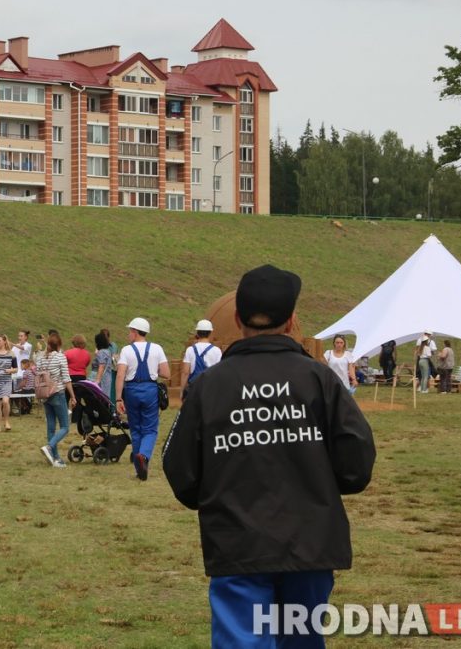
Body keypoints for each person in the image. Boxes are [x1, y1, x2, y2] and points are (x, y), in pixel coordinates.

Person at [163, 264, 376, 648]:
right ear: (292, 321)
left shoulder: (209, 386)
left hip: (237, 544)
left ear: (240, 320)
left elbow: (179, 468)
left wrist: (215, 501)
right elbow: (356, 464)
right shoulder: (320, 380)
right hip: (310, 542)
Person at [115, 318, 170, 481]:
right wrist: (153, 371)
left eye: (130, 331)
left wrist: (118, 399)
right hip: (150, 390)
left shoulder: (126, 350)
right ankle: (144, 456)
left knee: (136, 428)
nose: (128, 334)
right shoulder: (157, 348)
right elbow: (166, 373)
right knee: (151, 429)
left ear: (135, 332)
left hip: (131, 390)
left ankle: (139, 470)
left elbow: (120, 375)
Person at [37, 332, 76, 468]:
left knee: (51, 427)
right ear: (58, 345)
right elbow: (66, 379)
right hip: (58, 393)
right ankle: (49, 447)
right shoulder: (60, 357)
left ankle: (56, 458)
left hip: (45, 395)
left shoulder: (40, 358)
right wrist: (72, 396)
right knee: (65, 426)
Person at [180, 319, 222, 401]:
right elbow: (219, 373)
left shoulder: (190, 350)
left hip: (193, 388)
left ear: (197, 333)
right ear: (210, 333)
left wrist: (182, 391)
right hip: (210, 388)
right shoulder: (216, 350)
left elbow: (185, 372)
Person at [0, 334, 17, 432]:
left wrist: (10, 371)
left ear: (4, 341)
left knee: (5, 401)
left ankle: (6, 421)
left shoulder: (11, 354)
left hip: (6, 381)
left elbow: (16, 369)